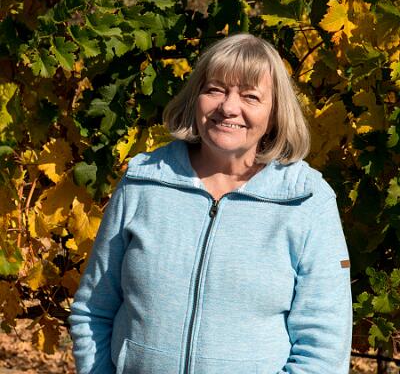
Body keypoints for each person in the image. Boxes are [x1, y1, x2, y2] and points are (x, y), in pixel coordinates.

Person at [68, 33, 353, 374]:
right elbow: (94, 310)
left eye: (250, 96)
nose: (228, 107)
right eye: (215, 89)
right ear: (196, 98)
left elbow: (324, 349)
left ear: (275, 113)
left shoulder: (306, 201)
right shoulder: (144, 183)